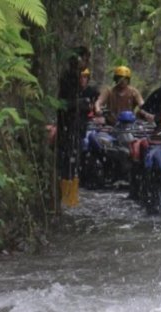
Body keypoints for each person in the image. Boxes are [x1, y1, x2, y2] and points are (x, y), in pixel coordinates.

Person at [56, 46, 95, 208]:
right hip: (68, 125)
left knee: (74, 160)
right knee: (68, 161)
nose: (87, 62)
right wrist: (82, 104)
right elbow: (64, 103)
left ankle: (72, 198)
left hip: (76, 126)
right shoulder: (69, 77)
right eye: (85, 59)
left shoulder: (76, 76)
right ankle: (67, 198)